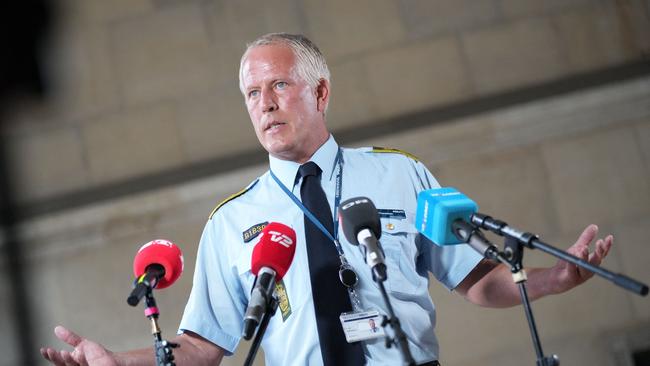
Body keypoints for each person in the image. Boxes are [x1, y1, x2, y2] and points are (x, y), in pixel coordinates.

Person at [41, 33, 613, 366]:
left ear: (320, 91)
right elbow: (200, 350)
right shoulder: (230, 222)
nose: (264, 103)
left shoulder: (400, 174)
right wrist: (118, 363)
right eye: (251, 93)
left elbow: (479, 280)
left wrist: (555, 279)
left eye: (279, 85)